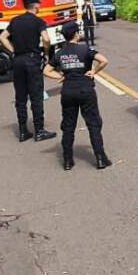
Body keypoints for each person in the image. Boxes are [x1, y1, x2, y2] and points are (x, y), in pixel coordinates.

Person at [43, 20, 112, 171]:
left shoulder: (60, 53)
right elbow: (104, 60)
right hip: (85, 90)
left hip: (68, 92)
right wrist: (93, 72)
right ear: (75, 34)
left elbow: (46, 70)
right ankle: (100, 158)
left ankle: (67, 160)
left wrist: (60, 77)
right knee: (93, 124)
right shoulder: (85, 49)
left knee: (68, 126)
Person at [0, 0, 56, 142]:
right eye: (39, 5)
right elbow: (46, 39)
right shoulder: (38, 21)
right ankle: (39, 130)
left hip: (18, 60)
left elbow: (2, 37)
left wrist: (12, 51)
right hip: (32, 60)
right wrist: (46, 53)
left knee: (21, 97)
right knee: (36, 96)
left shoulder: (15, 21)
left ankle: (23, 131)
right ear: (36, 6)